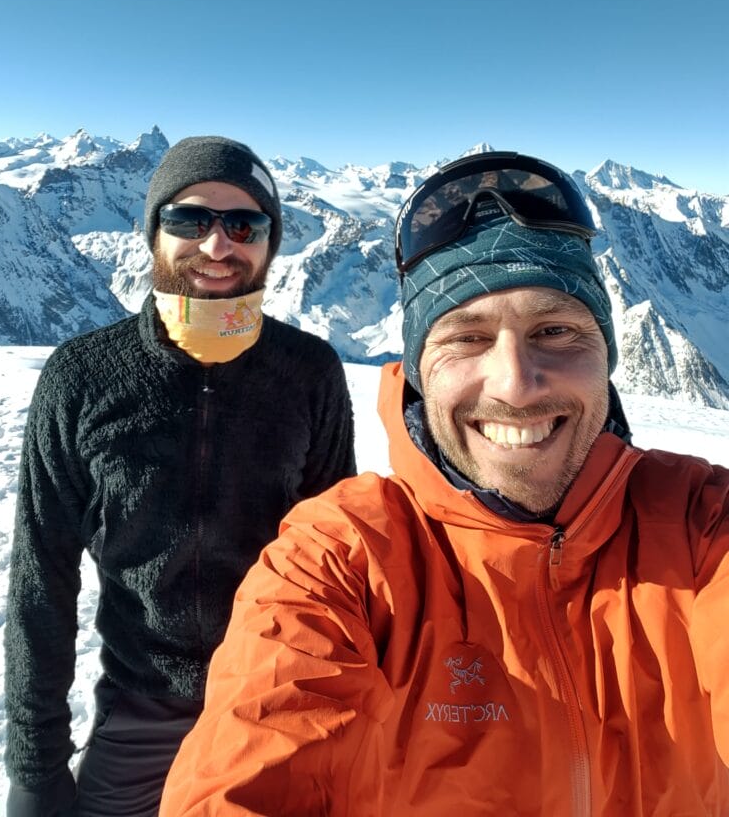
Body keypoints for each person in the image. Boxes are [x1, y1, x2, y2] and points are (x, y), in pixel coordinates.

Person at [160, 149, 729, 816]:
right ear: (419, 371)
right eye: (466, 336)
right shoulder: (339, 565)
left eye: (556, 329)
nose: (516, 383)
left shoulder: (701, 526)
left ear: (607, 350)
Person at [4, 136, 356, 817]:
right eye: (190, 220)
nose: (218, 246)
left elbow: (340, 561)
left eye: (243, 224)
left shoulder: (308, 372)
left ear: (271, 242)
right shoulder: (81, 379)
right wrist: (35, 766)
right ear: (153, 231)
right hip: (140, 710)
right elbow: (40, 581)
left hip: (277, 702)